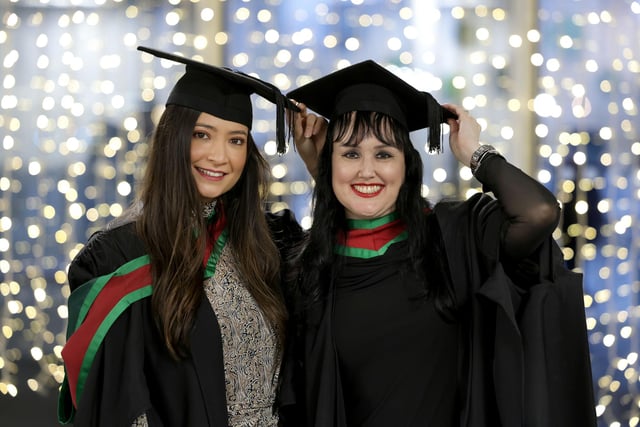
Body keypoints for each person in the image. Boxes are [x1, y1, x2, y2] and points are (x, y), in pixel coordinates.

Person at [279, 60, 596, 426]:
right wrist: (326, 175)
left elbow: (538, 213)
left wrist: (476, 153)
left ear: (407, 167)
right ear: (328, 163)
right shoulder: (309, 268)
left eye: (384, 154)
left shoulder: (452, 238)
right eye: (350, 153)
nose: (367, 169)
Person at [58, 46, 304, 427]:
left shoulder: (268, 241)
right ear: (174, 138)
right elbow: (120, 405)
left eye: (236, 140)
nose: (220, 156)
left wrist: (320, 164)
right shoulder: (121, 255)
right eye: (203, 134)